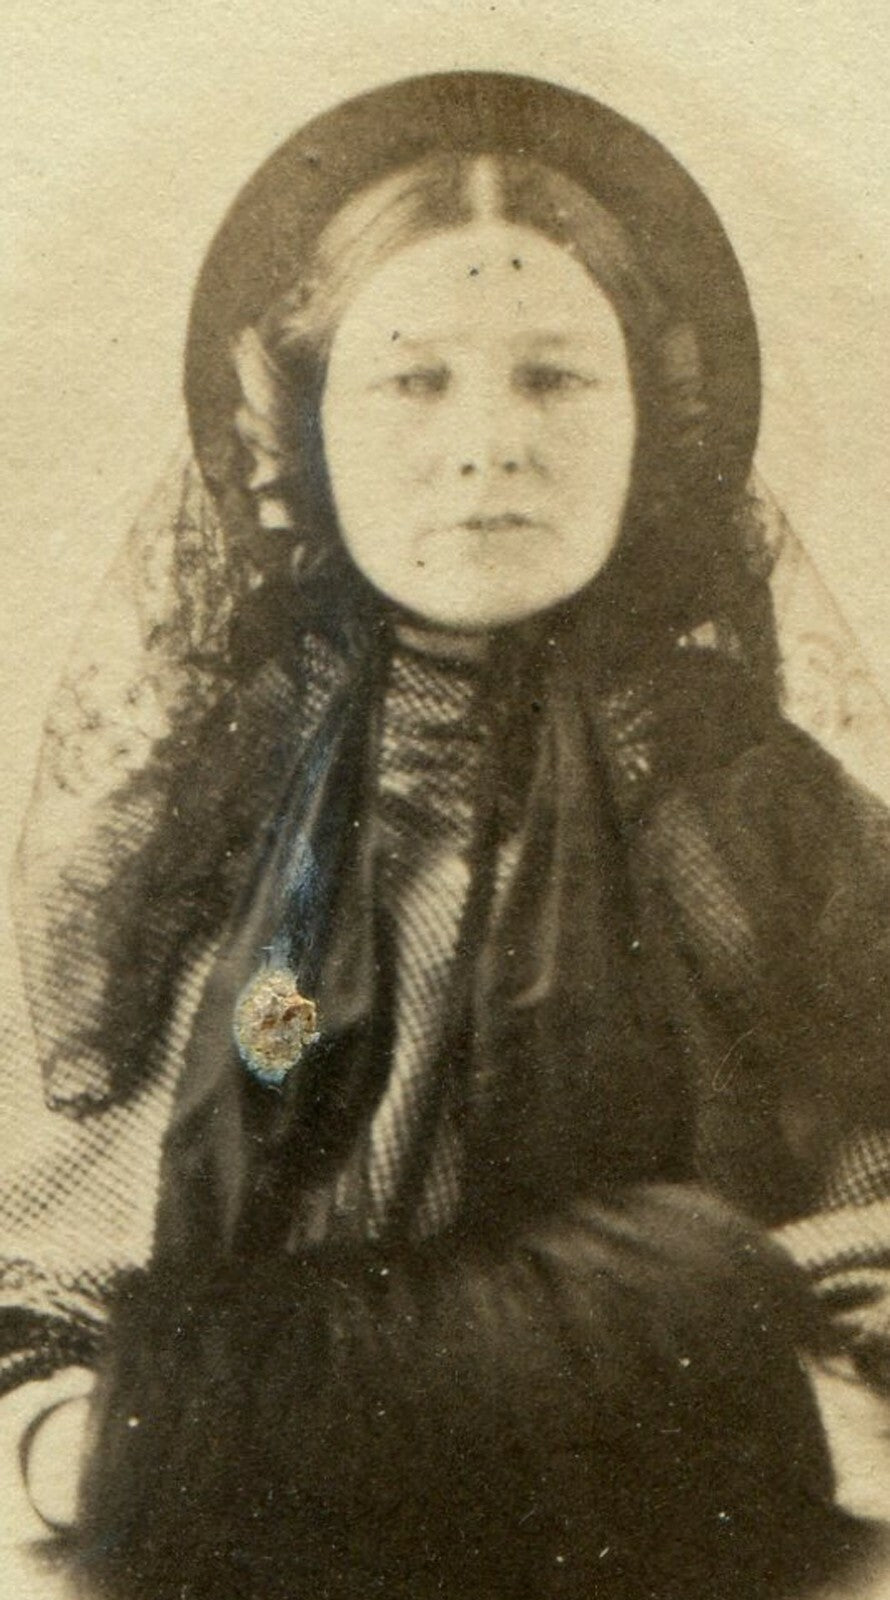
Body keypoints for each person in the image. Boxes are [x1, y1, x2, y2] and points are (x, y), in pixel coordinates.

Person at [3, 70, 890, 1599]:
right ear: (302, 433)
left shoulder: (751, 817)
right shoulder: (230, 818)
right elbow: (76, 1296)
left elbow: (853, 1244)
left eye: (553, 378)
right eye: (414, 383)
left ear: (654, 417)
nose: (489, 446)